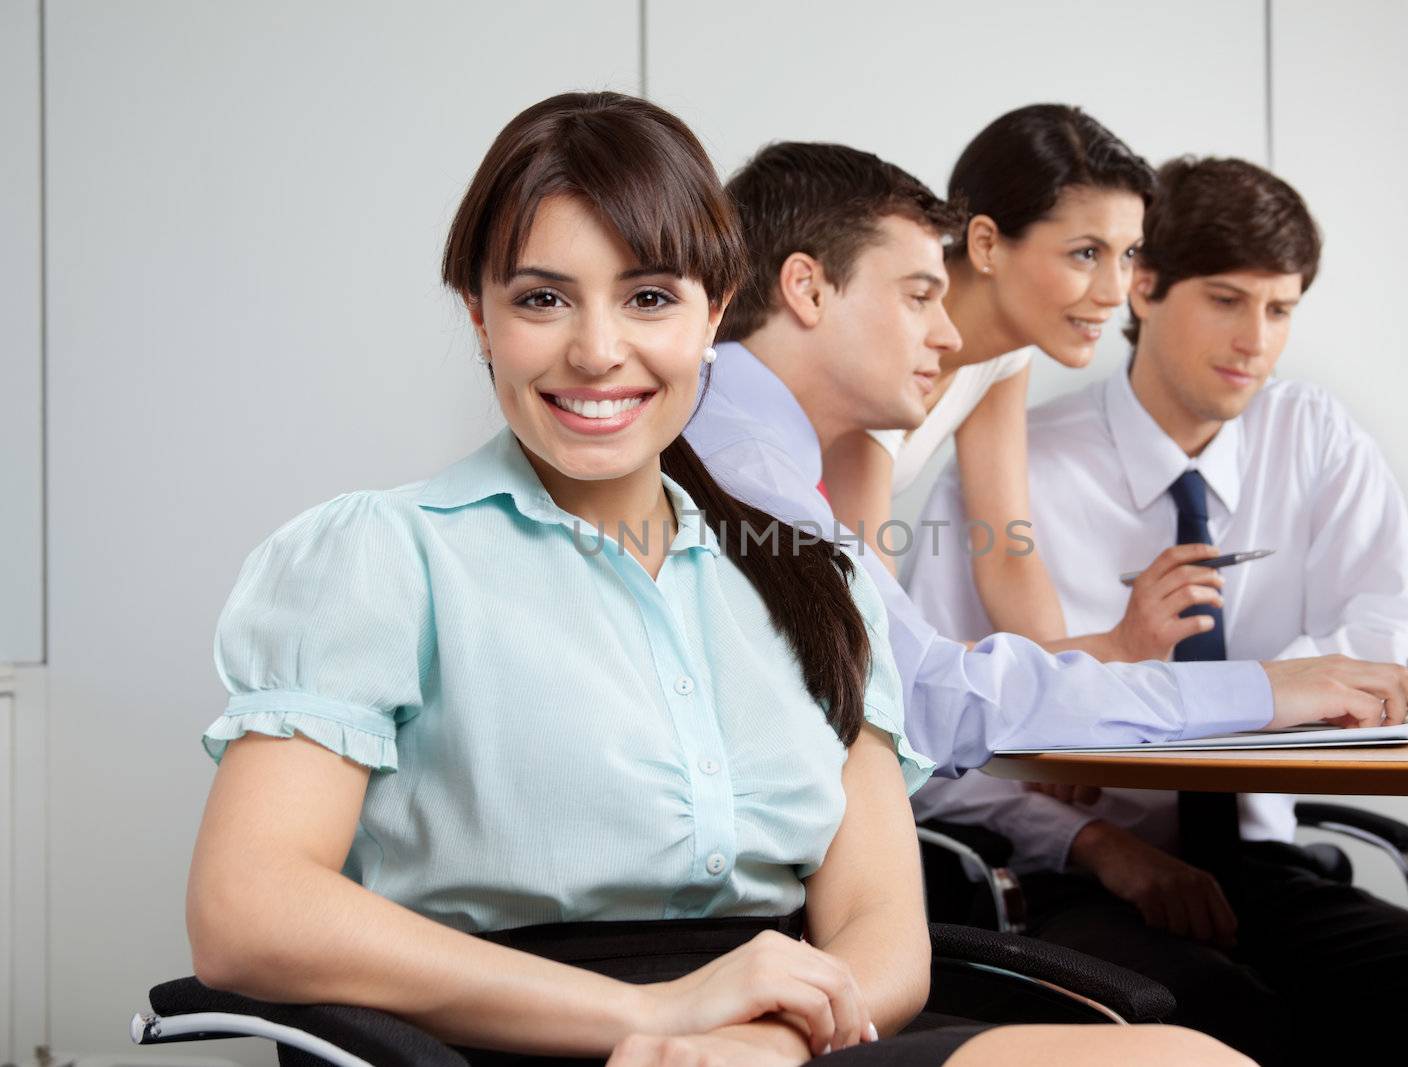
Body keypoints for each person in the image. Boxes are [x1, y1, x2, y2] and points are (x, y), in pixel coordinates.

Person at [183, 92, 1250, 1067]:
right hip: (513, 1039)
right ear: (480, 316)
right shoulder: (382, 553)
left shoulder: (813, 571)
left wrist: (766, 1039)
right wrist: (650, 1015)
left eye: (648, 296)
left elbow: (881, 928)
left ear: (712, 310)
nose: (598, 351)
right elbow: (249, 910)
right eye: (543, 298)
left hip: (787, 1038)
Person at [902, 156, 1408, 1066]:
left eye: (1280, 310)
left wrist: (1268, 692)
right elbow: (928, 733)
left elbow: (1399, 635)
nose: (1257, 340)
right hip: (1072, 876)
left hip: (1258, 865)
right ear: (1146, 287)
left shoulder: (1312, 436)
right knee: (1227, 1023)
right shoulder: (1017, 468)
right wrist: (1095, 841)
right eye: (1227, 300)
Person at [685, 139, 1408, 792]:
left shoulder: (756, 441)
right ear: (807, 288)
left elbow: (954, 647)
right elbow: (929, 688)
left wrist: (1095, 688)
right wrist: (1254, 689)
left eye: (1127, 255)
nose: (947, 337)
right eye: (918, 296)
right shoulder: (753, 468)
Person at [824, 104, 1213, 662]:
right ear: (985, 244)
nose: (1114, 291)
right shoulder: (885, 348)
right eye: (1086, 253)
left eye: (1127, 255)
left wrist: (1073, 686)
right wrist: (1113, 649)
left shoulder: (1005, 351)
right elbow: (882, 636)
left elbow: (1007, 549)